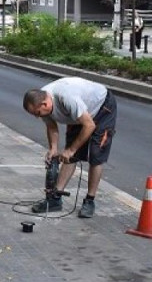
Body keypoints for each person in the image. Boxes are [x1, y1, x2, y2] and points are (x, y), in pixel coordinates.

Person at [22, 77, 117, 218]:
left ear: (45, 104)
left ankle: (89, 201)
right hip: (79, 115)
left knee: (96, 155)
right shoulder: (42, 103)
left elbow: (89, 125)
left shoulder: (66, 98)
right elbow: (51, 126)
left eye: (37, 113)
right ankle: (55, 199)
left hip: (102, 108)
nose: (37, 117)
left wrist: (72, 150)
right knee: (69, 155)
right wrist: (53, 148)